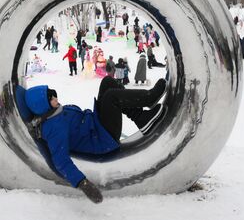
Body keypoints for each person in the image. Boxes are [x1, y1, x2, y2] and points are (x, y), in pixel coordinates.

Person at [23, 77, 167, 203]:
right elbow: (60, 161)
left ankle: (141, 118)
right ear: (42, 106)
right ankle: (149, 98)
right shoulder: (54, 129)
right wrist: (82, 183)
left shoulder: (54, 114)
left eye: (53, 95)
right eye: (51, 98)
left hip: (96, 125)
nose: (56, 98)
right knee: (111, 97)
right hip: (103, 139)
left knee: (107, 82)